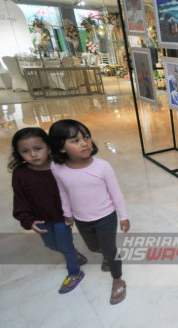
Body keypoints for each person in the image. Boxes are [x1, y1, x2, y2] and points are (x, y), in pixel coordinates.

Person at [48, 119, 130, 305]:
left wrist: (123, 216)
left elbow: (116, 193)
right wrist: (67, 212)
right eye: (75, 141)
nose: (84, 143)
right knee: (93, 247)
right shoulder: (57, 168)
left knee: (110, 249)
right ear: (61, 148)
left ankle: (118, 279)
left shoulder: (102, 166)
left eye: (86, 137)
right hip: (81, 218)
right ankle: (106, 256)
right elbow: (63, 191)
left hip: (106, 217)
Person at [8, 127, 86, 294]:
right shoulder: (20, 174)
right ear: (18, 153)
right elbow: (19, 199)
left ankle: (74, 272)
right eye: (25, 151)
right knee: (51, 245)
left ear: (49, 147)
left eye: (37, 149)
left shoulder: (61, 167)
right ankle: (75, 254)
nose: (33, 154)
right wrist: (27, 220)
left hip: (61, 217)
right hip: (40, 219)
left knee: (64, 246)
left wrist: (73, 212)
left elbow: (76, 189)